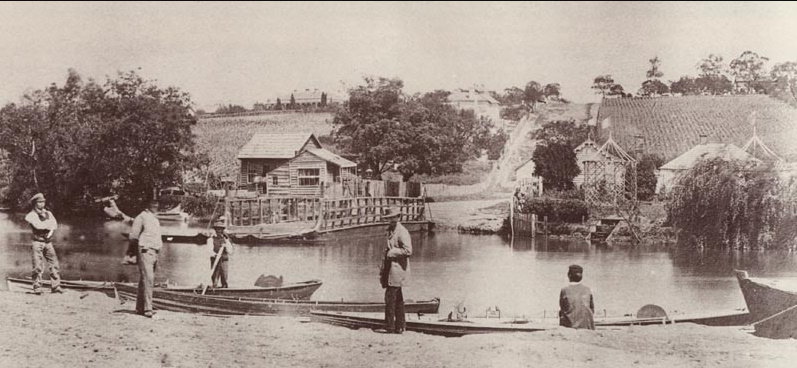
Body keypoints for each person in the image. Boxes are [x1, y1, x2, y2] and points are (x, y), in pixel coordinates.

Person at [379, 206, 412, 334]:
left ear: (398, 217)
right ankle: (400, 326)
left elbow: (408, 250)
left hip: (397, 270)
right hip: (390, 269)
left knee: (390, 298)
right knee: (398, 299)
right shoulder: (390, 230)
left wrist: (393, 252)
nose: (391, 220)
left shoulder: (402, 231)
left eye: (393, 217)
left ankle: (390, 327)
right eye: (389, 218)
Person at [129, 199, 163, 318]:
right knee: (149, 279)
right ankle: (148, 308)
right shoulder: (141, 217)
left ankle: (139, 307)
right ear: (147, 206)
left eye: (157, 204)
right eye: (153, 204)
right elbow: (133, 235)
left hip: (154, 251)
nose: (156, 206)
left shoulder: (154, 218)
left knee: (145, 279)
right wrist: (134, 252)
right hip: (145, 250)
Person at [24, 193, 62, 295]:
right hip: (37, 242)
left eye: (43, 202)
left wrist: (50, 227)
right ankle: (37, 286)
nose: (42, 204)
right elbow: (38, 226)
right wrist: (48, 225)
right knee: (37, 266)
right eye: (39, 202)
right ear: (34, 203)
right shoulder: (30, 215)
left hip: (48, 242)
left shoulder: (49, 213)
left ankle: (56, 286)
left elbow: (55, 225)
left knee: (54, 264)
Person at [559, 264, 595, 330]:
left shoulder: (565, 290)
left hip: (571, 324)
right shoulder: (587, 289)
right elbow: (592, 308)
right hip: (587, 324)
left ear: (569, 275)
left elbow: (562, 308)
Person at [207, 216, 234, 288]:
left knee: (224, 277)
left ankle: (224, 288)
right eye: (218, 229)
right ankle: (214, 289)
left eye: (221, 229)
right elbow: (210, 251)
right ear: (215, 230)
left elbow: (230, 252)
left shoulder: (226, 240)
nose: (219, 231)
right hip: (215, 260)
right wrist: (215, 255)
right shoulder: (211, 239)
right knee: (215, 278)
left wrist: (226, 247)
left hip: (224, 260)